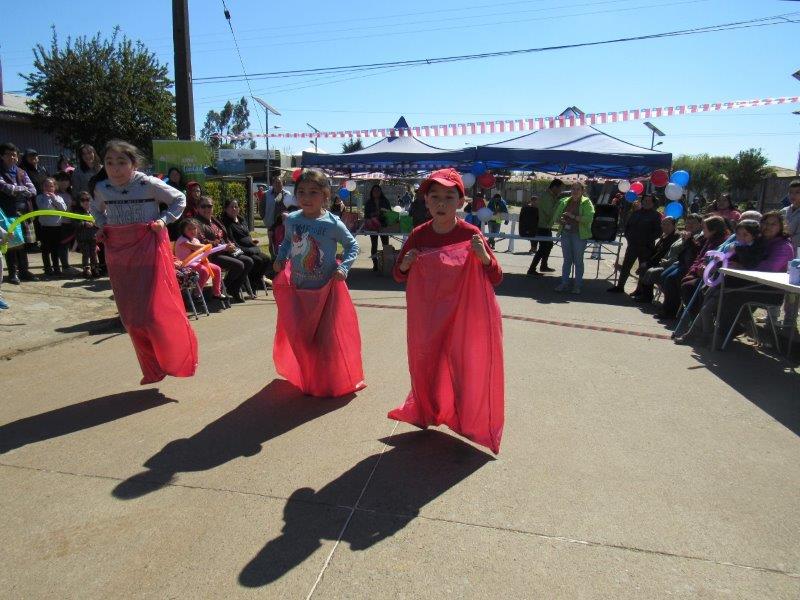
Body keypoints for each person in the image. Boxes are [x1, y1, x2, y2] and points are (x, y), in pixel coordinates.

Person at [390, 168, 503, 454]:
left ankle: (465, 417)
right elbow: (398, 275)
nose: (441, 203)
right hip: (428, 318)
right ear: (426, 202)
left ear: (460, 203)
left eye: (449, 197)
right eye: (435, 197)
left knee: (465, 367)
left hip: (463, 319)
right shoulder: (419, 234)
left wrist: (483, 257)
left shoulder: (470, 233)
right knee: (426, 364)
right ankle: (428, 411)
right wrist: (406, 264)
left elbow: (496, 277)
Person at [91, 139, 196, 384]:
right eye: (109, 162)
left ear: (133, 163)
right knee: (131, 317)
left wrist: (163, 220)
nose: (115, 168)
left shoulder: (147, 183)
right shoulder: (102, 187)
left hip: (149, 249)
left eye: (121, 162)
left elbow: (179, 199)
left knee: (153, 313)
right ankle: (152, 368)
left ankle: (172, 359)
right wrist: (102, 225)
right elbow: (95, 210)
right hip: (119, 254)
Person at [272, 169, 364, 397]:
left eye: (313, 192)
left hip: (326, 292)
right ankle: (309, 379)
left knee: (325, 341)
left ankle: (328, 380)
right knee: (301, 338)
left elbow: (353, 246)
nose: (306, 197)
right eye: (301, 192)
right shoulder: (293, 220)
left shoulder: (333, 223)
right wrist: (280, 257)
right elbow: (286, 243)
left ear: (325, 195)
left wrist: (343, 267)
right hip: (299, 290)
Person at [676, 212, 794, 346]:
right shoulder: (758, 241)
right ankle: (701, 333)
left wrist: (742, 266)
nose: (768, 227)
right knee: (712, 293)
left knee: (728, 296)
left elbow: (768, 268)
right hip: (747, 283)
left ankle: (716, 335)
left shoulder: (783, 246)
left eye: (773, 224)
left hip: (768, 290)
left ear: (781, 226)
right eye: (766, 223)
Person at [194, 197, 253, 303]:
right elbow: (202, 241)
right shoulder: (196, 223)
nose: (207, 209)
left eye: (209, 206)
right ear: (198, 208)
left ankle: (232, 288)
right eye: (203, 206)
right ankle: (221, 289)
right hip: (210, 255)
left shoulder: (214, 220)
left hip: (224, 251)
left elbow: (225, 236)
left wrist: (230, 244)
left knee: (248, 261)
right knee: (239, 265)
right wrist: (222, 245)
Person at [608, 193, 662, 294]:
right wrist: (629, 238)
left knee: (642, 269)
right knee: (625, 267)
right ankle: (620, 287)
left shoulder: (656, 215)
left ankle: (639, 290)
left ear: (653, 203)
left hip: (646, 247)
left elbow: (658, 232)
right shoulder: (636, 213)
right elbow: (628, 227)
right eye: (645, 200)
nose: (646, 202)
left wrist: (646, 240)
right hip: (633, 245)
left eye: (649, 201)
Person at [0, 143, 38, 283]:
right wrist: (22, 190)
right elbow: (5, 187)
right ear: (2, 156)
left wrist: (19, 189)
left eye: (15, 155)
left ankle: (24, 270)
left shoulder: (22, 171)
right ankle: (12, 273)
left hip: (24, 211)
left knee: (23, 243)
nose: (13, 157)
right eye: (9, 154)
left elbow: (33, 190)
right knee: (11, 242)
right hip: (7, 212)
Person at [677, 216, 730, 317]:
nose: (703, 230)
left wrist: (697, 271)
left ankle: (697, 317)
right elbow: (700, 257)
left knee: (688, 286)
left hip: (711, 275)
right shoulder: (709, 240)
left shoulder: (722, 242)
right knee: (684, 281)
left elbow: (714, 260)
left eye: (704, 228)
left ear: (713, 230)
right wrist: (693, 270)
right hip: (699, 271)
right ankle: (693, 315)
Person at [552, 181, 595, 294]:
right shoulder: (565, 201)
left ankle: (577, 286)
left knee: (578, 261)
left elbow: (589, 218)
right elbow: (556, 217)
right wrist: (560, 220)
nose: (575, 191)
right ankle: (564, 283)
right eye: (573, 189)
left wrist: (573, 216)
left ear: (582, 191)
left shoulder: (587, 202)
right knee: (567, 260)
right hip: (565, 233)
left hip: (579, 236)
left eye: (578, 189)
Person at [221, 198, 270, 291]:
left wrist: (252, 241)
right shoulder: (226, 223)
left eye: (236, 207)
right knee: (257, 261)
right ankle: (251, 284)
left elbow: (247, 235)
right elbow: (232, 240)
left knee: (266, 259)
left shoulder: (241, 220)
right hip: (241, 249)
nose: (234, 209)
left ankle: (255, 281)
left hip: (251, 246)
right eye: (231, 207)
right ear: (226, 209)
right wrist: (246, 248)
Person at [175, 218, 225, 304]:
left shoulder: (196, 240)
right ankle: (197, 293)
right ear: (183, 230)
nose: (192, 231)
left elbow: (201, 252)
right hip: (185, 264)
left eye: (194, 228)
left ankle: (216, 292)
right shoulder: (182, 240)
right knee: (204, 271)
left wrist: (213, 247)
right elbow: (194, 247)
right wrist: (207, 246)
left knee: (217, 269)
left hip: (197, 262)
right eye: (189, 229)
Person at [630, 216, 679, 303]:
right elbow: (655, 251)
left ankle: (647, 296)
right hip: (657, 260)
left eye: (668, 224)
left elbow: (661, 254)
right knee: (643, 264)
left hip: (665, 263)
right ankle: (641, 291)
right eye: (663, 224)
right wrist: (646, 261)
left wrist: (648, 263)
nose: (665, 226)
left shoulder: (674, 237)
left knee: (647, 269)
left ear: (674, 226)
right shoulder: (664, 235)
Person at [527, 178, 564, 275]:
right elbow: (550, 212)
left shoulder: (551, 196)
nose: (561, 191)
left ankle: (543, 266)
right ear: (555, 187)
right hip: (542, 226)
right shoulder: (547, 197)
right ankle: (532, 269)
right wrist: (560, 219)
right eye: (560, 189)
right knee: (543, 247)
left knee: (549, 245)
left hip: (546, 226)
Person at [36, 177, 70, 276]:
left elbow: (63, 209)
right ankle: (47, 268)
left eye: (51, 186)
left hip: (56, 227)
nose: (48, 188)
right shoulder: (39, 198)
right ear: (42, 187)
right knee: (45, 249)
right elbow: (44, 208)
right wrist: (47, 198)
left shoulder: (59, 198)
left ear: (55, 187)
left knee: (55, 249)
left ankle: (56, 268)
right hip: (45, 227)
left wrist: (54, 199)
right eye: (46, 186)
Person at [364, 184, 392, 272]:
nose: (376, 192)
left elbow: (390, 213)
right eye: (374, 191)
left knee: (385, 245)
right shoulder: (368, 202)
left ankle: (386, 263)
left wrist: (383, 212)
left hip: (383, 225)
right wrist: (373, 214)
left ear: (381, 192)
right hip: (373, 226)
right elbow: (366, 215)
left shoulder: (385, 201)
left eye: (378, 191)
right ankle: (375, 264)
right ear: (371, 192)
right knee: (374, 245)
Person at [74, 192, 99, 278]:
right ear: (79, 202)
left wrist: (95, 224)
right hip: (82, 238)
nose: (86, 202)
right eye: (83, 200)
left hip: (93, 237)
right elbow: (75, 224)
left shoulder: (94, 211)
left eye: (88, 199)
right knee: (86, 253)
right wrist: (84, 224)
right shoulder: (77, 212)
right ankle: (86, 269)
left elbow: (99, 222)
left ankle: (94, 268)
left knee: (93, 253)